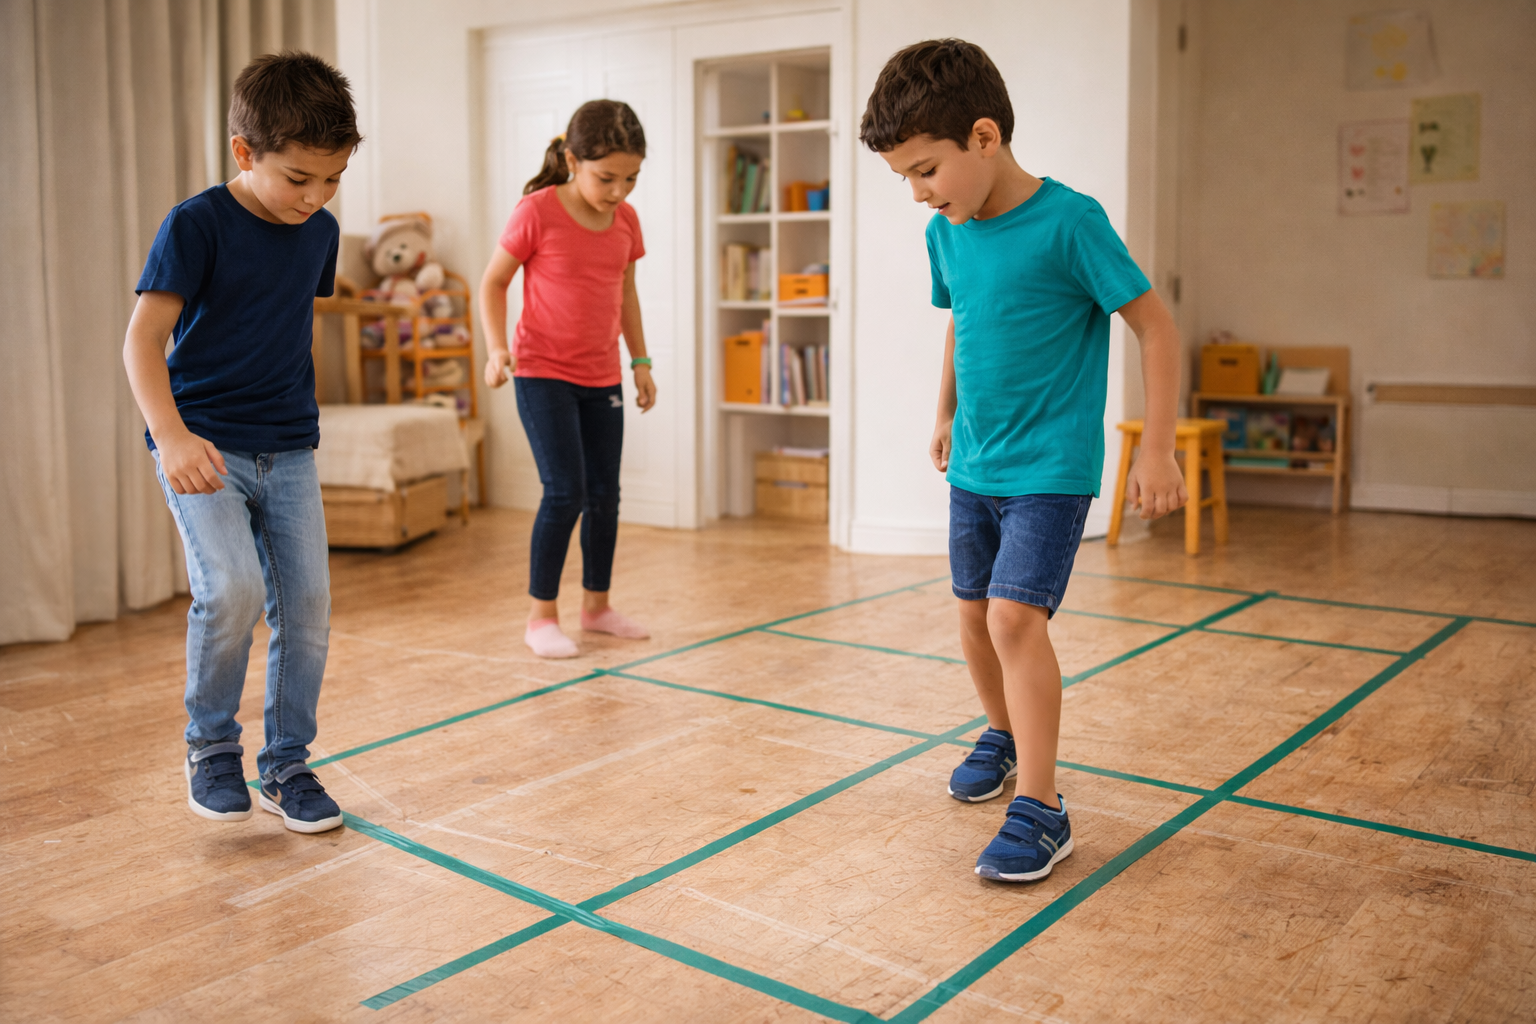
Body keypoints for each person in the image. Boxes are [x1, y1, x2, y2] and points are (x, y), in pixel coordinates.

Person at [860, 40, 1188, 881]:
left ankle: (1041, 807)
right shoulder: (950, 231)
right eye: (904, 177)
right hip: (976, 461)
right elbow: (960, 324)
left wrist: (1156, 447)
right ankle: (1001, 734)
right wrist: (944, 413)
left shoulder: (1070, 222)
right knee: (972, 616)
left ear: (983, 137)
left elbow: (1155, 326)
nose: (917, 194)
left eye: (924, 170)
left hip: (1050, 466)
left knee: (1014, 619)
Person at [122, 52, 360, 833]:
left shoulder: (319, 230)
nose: (315, 197)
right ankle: (211, 746)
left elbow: (284, 320)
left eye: (332, 179)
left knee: (309, 607)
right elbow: (142, 342)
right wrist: (172, 436)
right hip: (203, 447)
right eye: (298, 178)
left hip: (288, 447)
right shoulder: (196, 225)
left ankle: (287, 763)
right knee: (231, 591)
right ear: (243, 152)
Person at [480, 100, 657, 659]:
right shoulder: (536, 211)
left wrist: (642, 363)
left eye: (631, 178)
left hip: (602, 374)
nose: (619, 192)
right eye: (607, 178)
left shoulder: (626, 221)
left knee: (606, 495)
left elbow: (625, 295)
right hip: (541, 371)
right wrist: (496, 349)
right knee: (565, 493)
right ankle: (540, 619)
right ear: (571, 158)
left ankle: (597, 607)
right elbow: (492, 283)